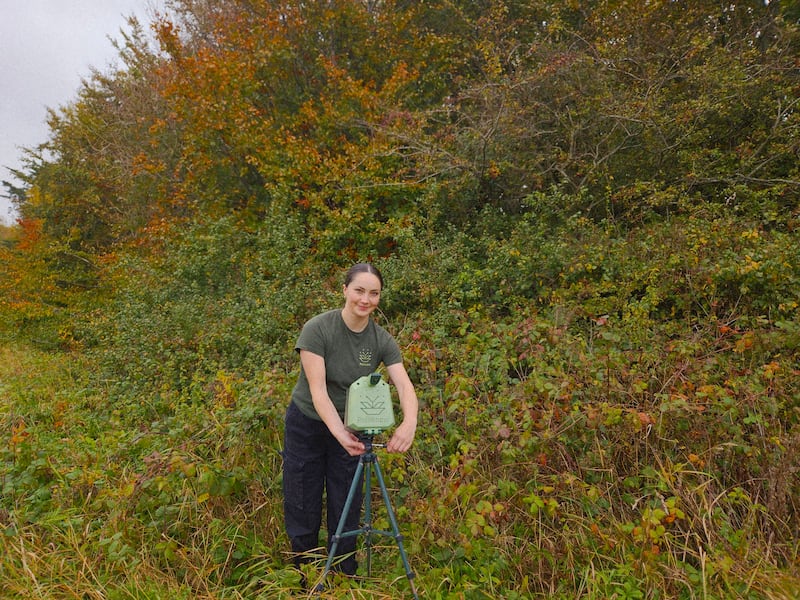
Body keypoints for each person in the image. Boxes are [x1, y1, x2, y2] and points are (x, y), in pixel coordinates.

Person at [282, 262, 418, 579]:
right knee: (303, 497)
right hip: (308, 423)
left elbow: (404, 385)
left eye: (374, 293)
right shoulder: (317, 329)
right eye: (359, 290)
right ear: (345, 290)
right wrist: (337, 432)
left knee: (346, 499)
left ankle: (344, 574)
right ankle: (302, 573)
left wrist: (408, 421)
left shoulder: (381, 339)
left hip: (352, 426)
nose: (365, 299)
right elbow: (318, 391)